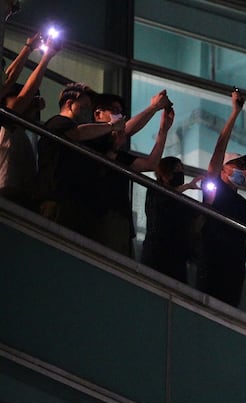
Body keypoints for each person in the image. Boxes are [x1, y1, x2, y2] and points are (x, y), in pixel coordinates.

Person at [196, 89, 246, 306]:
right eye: (238, 165)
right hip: (212, 260)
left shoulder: (244, 204)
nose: (243, 170)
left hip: (235, 267)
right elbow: (219, 148)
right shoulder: (215, 187)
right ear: (224, 169)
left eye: (245, 167)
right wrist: (235, 113)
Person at [85, 92, 174, 256]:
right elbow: (125, 130)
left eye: (120, 112)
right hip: (99, 216)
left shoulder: (116, 151)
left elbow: (151, 164)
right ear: (97, 114)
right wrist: (153, 107)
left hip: (120, 219)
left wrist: (163, 130)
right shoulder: (89, 139)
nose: (119, 116)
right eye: (113, 110)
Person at [36, 83, 126, 234]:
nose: (87, 113)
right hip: (56, 201)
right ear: (70, 104)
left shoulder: (85, 135)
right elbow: (77, 133)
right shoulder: (59, 122)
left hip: (74, 204)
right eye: (84, 107)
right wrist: (111, 126)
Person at [0, 32, 57, 207]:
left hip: (19, 193)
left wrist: (29, 48)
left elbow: (8, 82)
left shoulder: (18, 132)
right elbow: (15, 91)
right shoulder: (5, 122)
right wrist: (43, 56)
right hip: (7, 193)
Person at [141, 156, 201, 282]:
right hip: (157, 256)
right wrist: (188, 186)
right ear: (165, 173)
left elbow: (197, 218)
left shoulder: (181, 202)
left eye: (181, 171)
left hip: (177, 259)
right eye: (176, 170)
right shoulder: (154, 191)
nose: (180, 174)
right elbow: (164, 198)